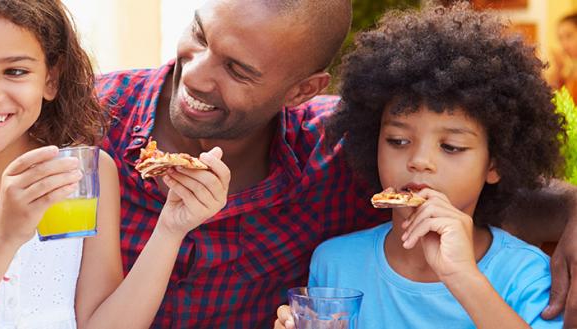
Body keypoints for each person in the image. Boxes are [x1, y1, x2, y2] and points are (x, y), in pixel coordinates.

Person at [94, 0, 577, 327]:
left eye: (238, 69)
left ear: (303, 90)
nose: (194, 75)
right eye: (199, 34)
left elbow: (505, 196)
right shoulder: (88, 120)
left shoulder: (334, 149)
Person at [0, 1, 230, 328]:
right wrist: (4, 237)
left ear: (51, 79)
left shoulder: (81, 173)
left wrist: (170, 230)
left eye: (14, 71)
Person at [273, 4, 563, 328]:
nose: (419, 161)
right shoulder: (335, 262)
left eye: (451, 147)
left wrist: (462, 277)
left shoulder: (525, 273)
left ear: (495, 163)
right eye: (397, 141)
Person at [548, 13, 577, 94]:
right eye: (560, 38)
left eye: (569, 36)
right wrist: (558, 69)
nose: (564, 44)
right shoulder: (570, 72)